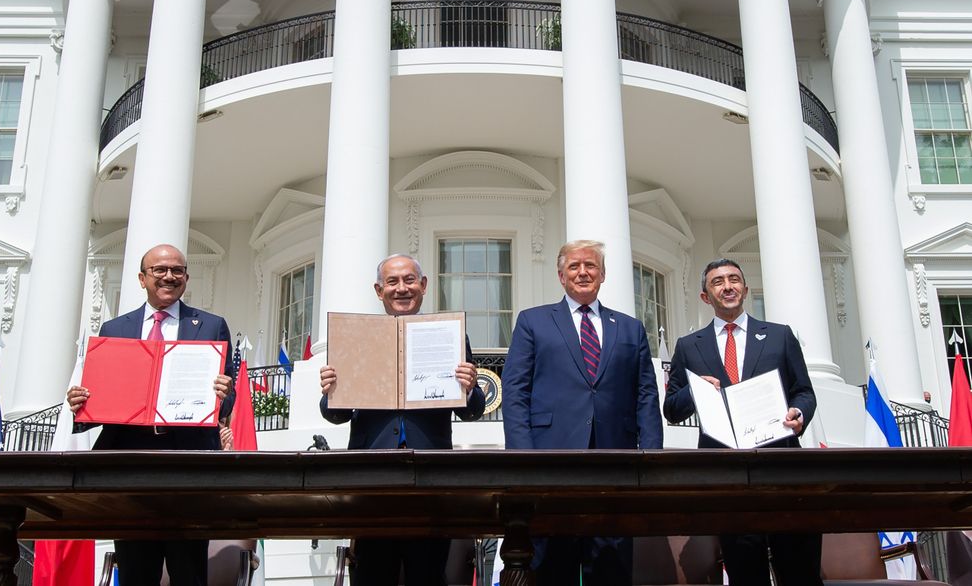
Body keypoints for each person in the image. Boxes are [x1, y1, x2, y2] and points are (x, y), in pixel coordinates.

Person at [66, 243, 235, 586]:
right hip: (131, 462)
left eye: (177, 270)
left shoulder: (211, 325)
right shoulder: (115, 329)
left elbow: (227, 403)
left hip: (189, 461)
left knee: (189, 570)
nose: (169, 276)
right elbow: (104, 397)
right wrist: (82, 402)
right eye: (160, 270)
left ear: (186, 278)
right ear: (142, 278)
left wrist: (224, 394)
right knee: (135, 569)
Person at [502, 239, 663, 586]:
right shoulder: (533, 322)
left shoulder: (631, 328)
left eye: (591, 266)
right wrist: (522, 457)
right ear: (561, 276)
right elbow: (515, 391)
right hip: (551, 461)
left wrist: (652, 457)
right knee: (551, 564)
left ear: (602, 275)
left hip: (615, 462)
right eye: (574, 266)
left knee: (612, 562)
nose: (583, 272)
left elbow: (646, 395)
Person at [319, 253, 486, 586]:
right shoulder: (356, 338)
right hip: (371, 478)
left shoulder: (449, 335)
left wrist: (470, 387)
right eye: (392, 282)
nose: (402, 289)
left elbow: (472, 410)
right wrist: (330, 391)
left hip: (429, 476)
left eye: (409, 280)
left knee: (427, 572)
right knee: (372, 573)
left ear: (423, 285)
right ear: (379, 290)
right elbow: (335, 414)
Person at [662, 258, 820, 586]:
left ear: (745, 289)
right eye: (718, 282)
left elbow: (804, 392)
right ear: (706, 296)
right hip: (727, 479)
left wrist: (798, 414)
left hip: (783, 473)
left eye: (734, 279)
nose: (728, 286)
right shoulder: (688, 347)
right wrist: (695, 390)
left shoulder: (779, 336)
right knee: (746, 574)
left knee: (800, 571)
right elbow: (671, 410)